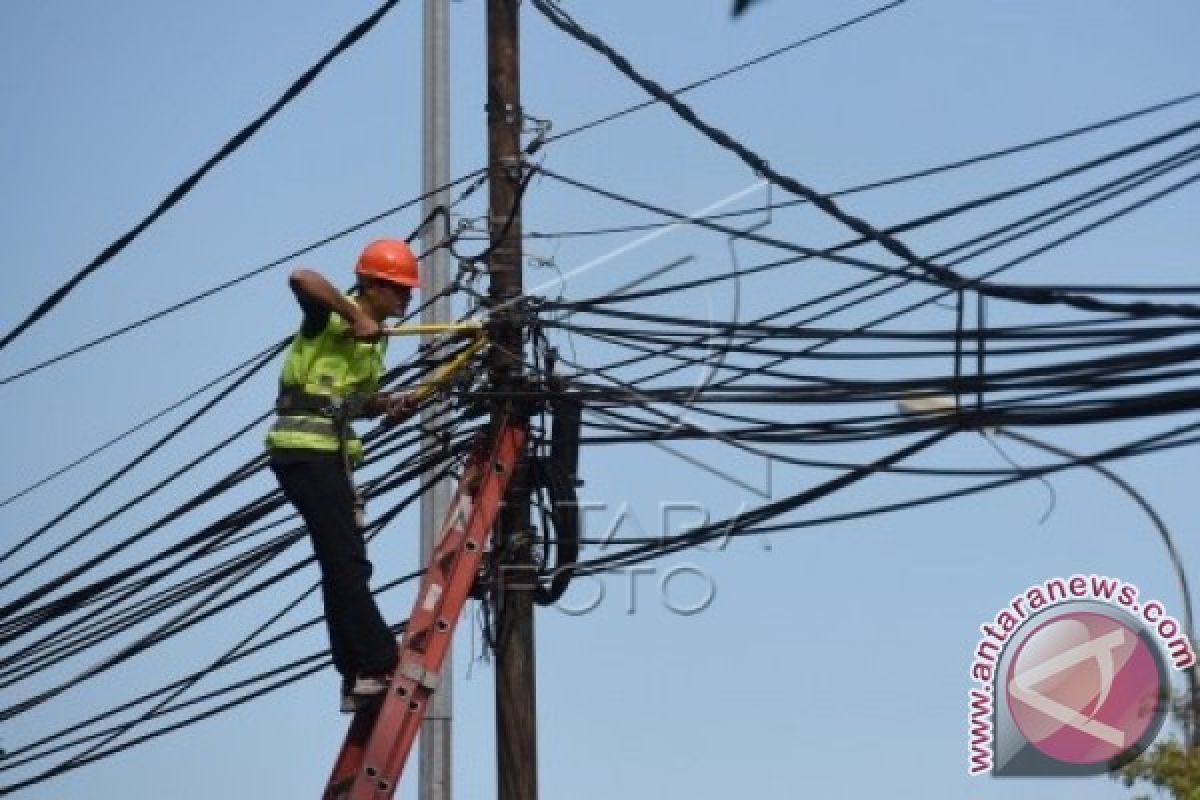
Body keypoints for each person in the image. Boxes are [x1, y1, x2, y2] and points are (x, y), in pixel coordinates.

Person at [265, 238, 420, 713]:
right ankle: (377, 661)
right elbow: (301, 277)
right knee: (349, 565)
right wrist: (354, 317)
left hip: (329, 455)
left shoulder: (376, 345)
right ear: (371, 286)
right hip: (305, 452)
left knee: (341, 566)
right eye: (398, 291)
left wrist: (384, 404)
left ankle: (356, 673)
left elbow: (344, 401)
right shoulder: (329, 317)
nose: (406, 301)